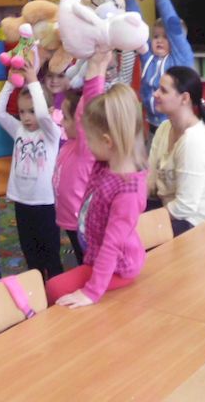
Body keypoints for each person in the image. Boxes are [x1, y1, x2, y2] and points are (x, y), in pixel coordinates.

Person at [45, 84, 148, 307]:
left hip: (120, 267)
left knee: (55, 288)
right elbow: (85, 113)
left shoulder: (128, 191)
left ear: (107, 141)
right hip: (98, 256)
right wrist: (95, 68)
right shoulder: (104, 163)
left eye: (90, 140)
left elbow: (112, 245)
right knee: (57, 288)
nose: (86, 145)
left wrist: (90, 293)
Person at [0, 54, 64, 281]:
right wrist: (9, 83)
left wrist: (33, 80)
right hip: (22, 202)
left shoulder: (51, 132)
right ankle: (38, 289)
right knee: (31, 255)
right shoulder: (19, 130)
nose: (26, 117)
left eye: (31, 111)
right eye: (22, 112)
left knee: (51, 255)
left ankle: (56, 288)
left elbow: (42, 114)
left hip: (45, 203)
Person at [148, 67, 205, 236]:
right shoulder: (164, 128)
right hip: (175, 213)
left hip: (203, 225)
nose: (155, 94)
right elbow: (150, 178)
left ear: (184, 98)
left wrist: (147, 222)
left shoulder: (194, 140)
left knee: (132, 239)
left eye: (163, 90)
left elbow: (185, 206)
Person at [52, 48, 111, 267]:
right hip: (70, 222)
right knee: (81, 262)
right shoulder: (69, 144)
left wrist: (96, 67)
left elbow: (86, 109)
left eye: (66, 118)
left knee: (91, 264)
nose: (61, 122)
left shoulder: (84, 149)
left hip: (83, 223)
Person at [125, 0, 194, 135]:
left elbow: (171, 22)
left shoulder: (181, 58)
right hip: (152, 123)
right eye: (156, 36)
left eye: (165, 37)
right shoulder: (148, 55)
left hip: (175, 125)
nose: (159, 40)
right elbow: (136, 26)